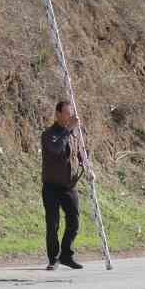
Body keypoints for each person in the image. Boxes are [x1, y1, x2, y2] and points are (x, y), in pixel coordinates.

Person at [40, 101, 86, 271]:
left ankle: (67, 254)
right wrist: (68, 130)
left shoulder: (76, 133)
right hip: (51, 186)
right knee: (53, 223)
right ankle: (54, 258)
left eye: (71, 113)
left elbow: (82, 153)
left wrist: (88, 169)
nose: (70, 116)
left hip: (69, 185)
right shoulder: (49, 134)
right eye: (67, 113)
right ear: (58, 114)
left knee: (74, 221)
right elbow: (56, 149)